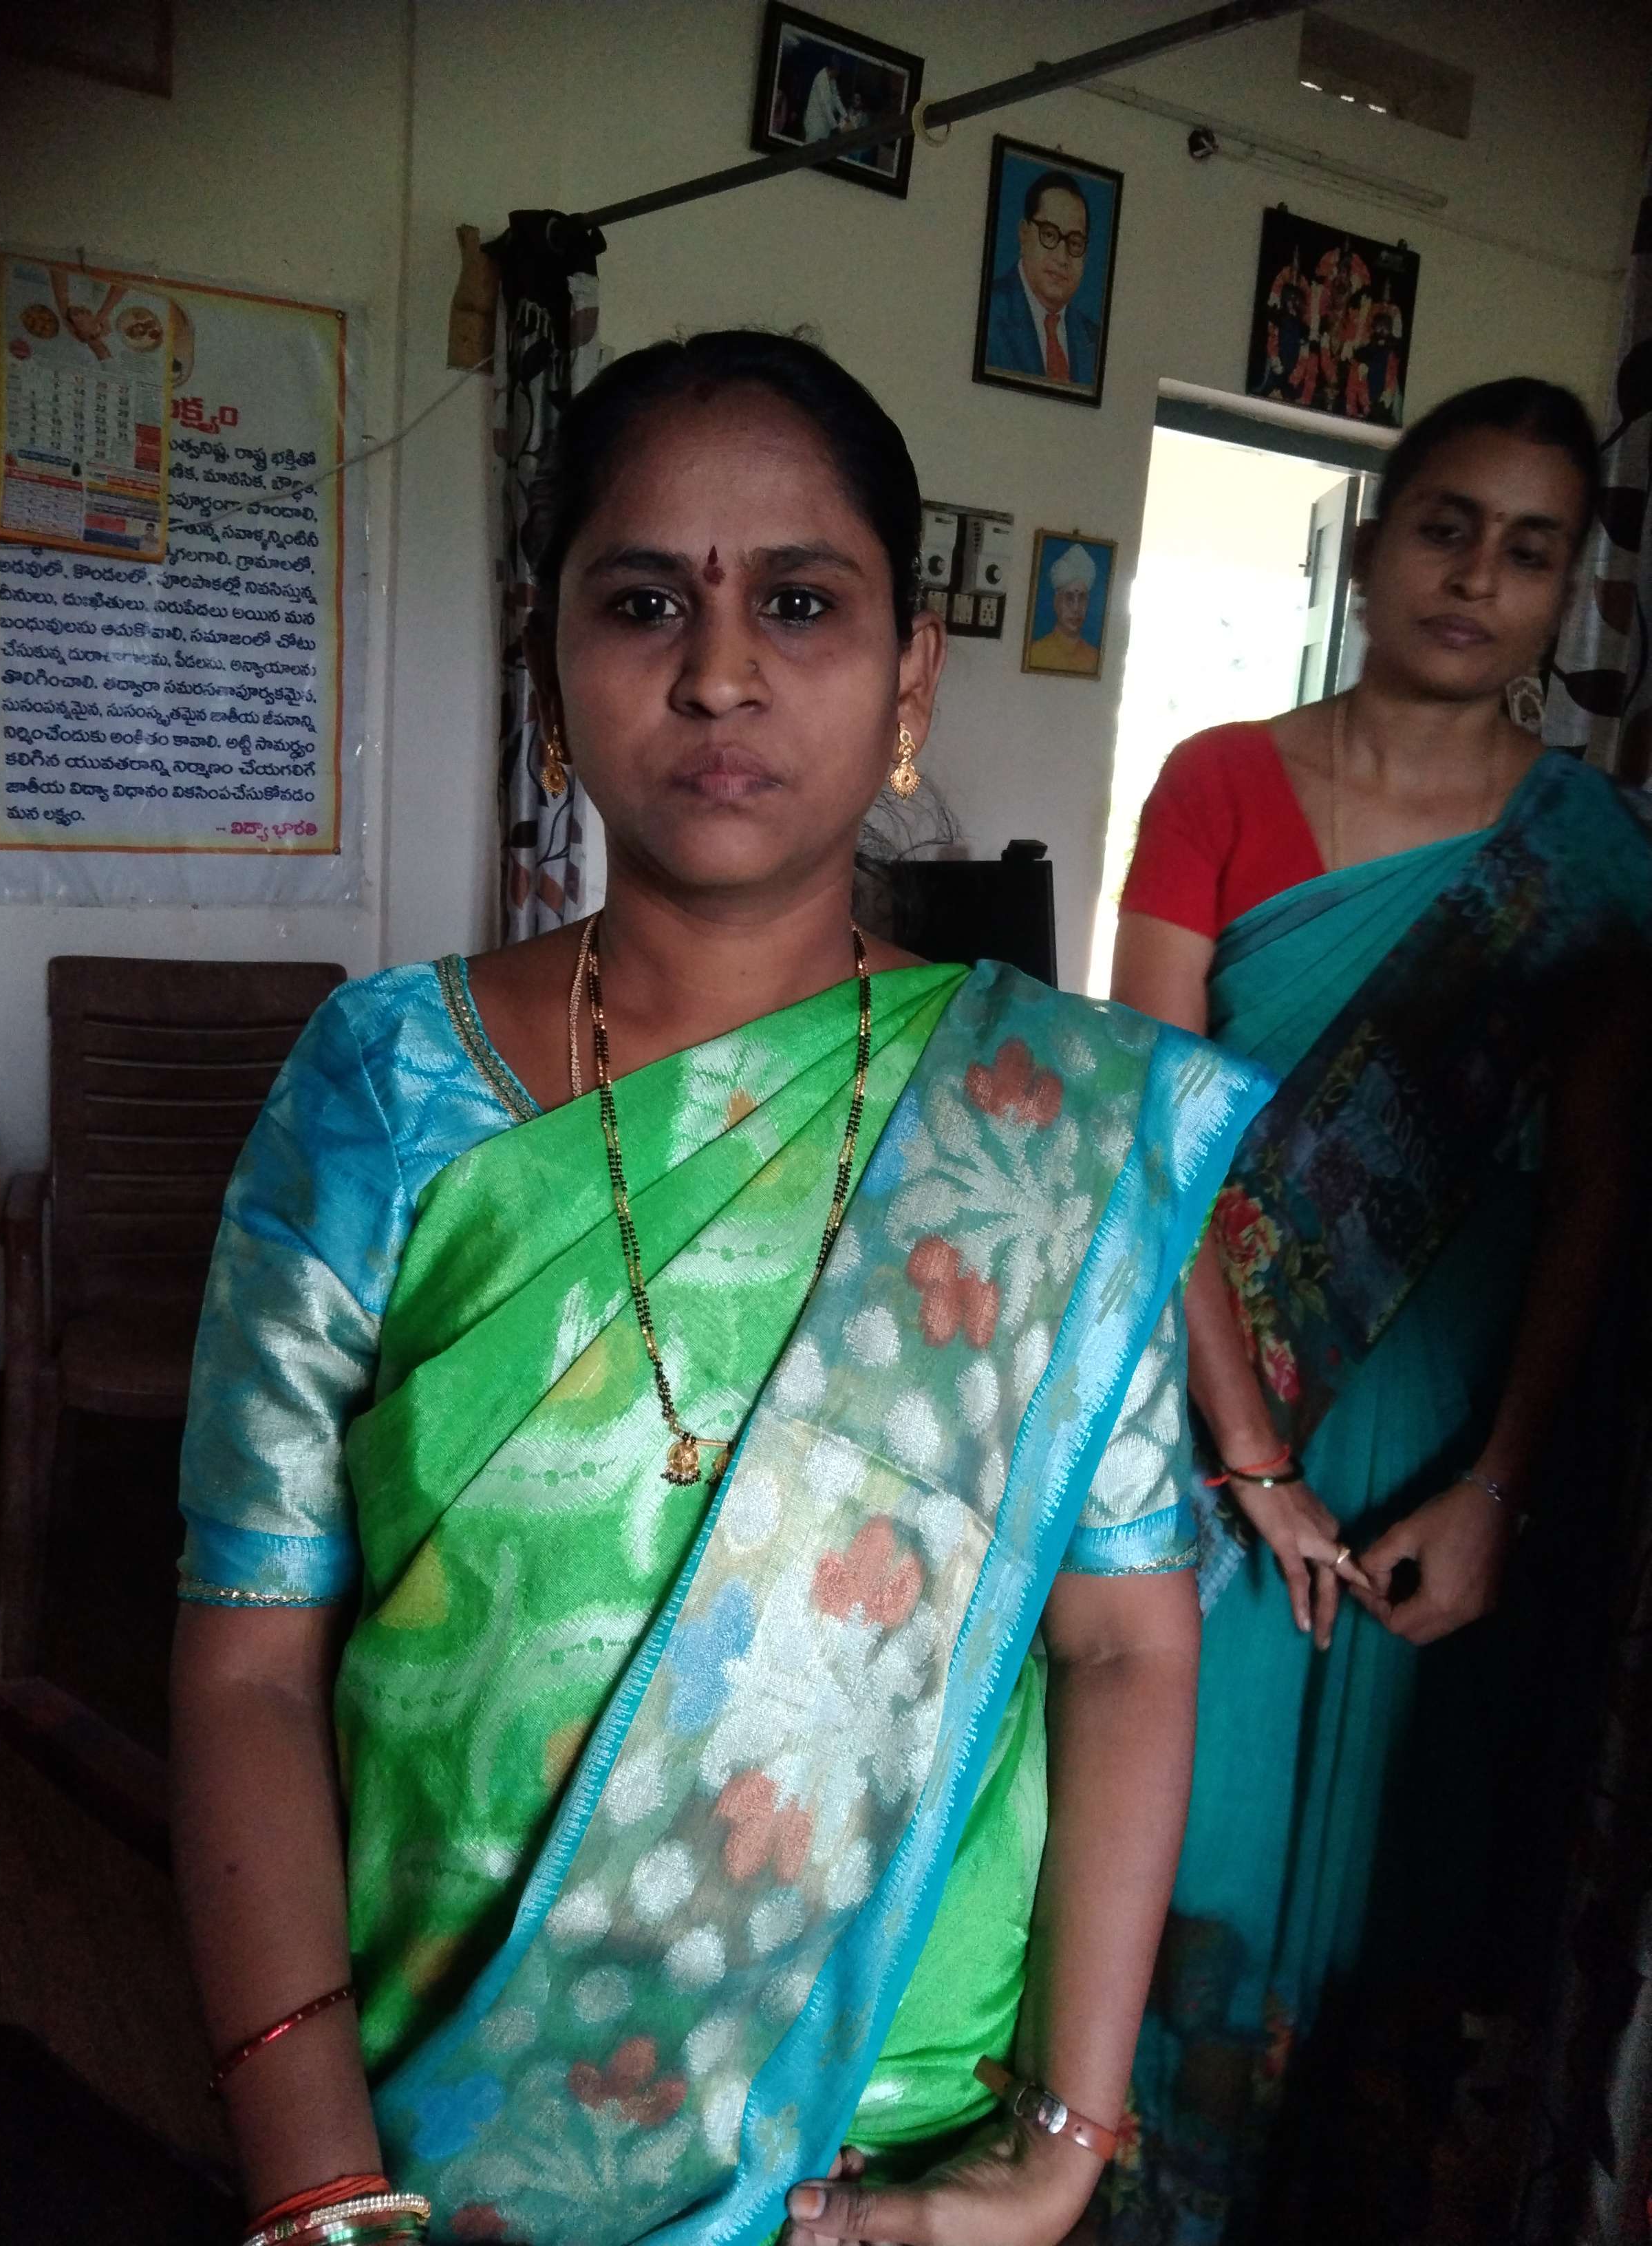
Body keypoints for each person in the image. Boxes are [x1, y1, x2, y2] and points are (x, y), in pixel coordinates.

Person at [171, 329, 1269, 2246]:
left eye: (802, 601)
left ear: (911, 674)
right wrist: (319, 2182)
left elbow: (1125, 1643)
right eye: (644, 601)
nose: (720, 670)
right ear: (551, 666)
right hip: (437, 2124)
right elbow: (249, 1658)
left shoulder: (1039, 1127)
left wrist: (1057, 2157)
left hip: (891, 2145)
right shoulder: (386, 1093)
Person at [1104, 378, 1652, 2242]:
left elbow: (1596, 1189)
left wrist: (1498, 1481)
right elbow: (1152, 1131)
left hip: (1445, 1442)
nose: (1476, 577)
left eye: (1529, 551)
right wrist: (1250, 1455)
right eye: (1445, 527)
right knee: (1181, 1824)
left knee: (1398, 1871)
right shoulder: (1218, 784)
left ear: (1565, 595)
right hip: (1203, 1420)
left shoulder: (1594, 859)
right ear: (1370, 543)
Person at [983, 170, 1102, 390]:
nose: (1062, 258)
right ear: (1024, 234)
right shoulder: (986, 314)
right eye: (1049, 235)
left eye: (1075, 243)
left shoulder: (1095, 341)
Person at [1028, 544, 1102, 675]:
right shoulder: (1035, 653)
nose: (1076, 608)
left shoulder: (1094, 658)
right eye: (1069, 598)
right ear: (1056, 602)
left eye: (1082, 598)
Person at [802, 56, 850, 143]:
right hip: (815, 122)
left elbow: (836, 98)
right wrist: (835, 127)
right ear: (833, 69)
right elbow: (825, 106)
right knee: (811, 146)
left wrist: (845, 115)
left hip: (825, 123)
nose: (839, 73)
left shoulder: (832, 79)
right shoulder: (821, 80)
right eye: (838, 70)